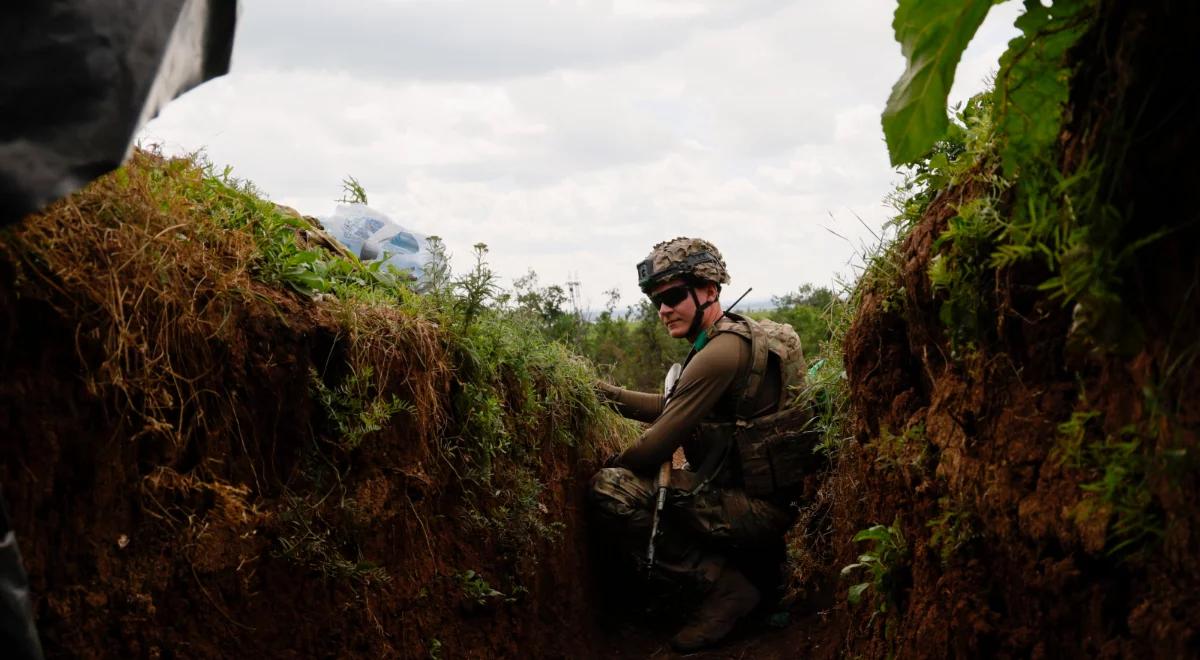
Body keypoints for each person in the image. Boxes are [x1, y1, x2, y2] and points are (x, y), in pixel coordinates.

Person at [589, 237, 806, 652]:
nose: (664, 310)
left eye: (673, 296)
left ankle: (726, 591)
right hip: (765, 502)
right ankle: (743, 578)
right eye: (657, 301)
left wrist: (617, 461)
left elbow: (654, 447)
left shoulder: (719, 353)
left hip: (757, 512)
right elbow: (672, 405)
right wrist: (599, 393)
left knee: (610, 489)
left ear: (709, 290)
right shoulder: (735, 337)